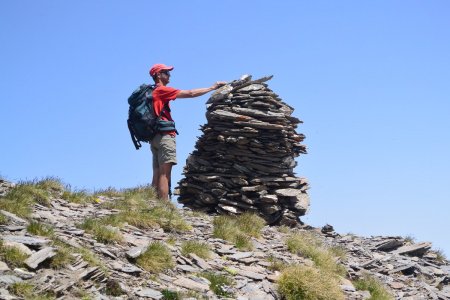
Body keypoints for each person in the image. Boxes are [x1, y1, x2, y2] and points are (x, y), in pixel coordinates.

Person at [149, 63, 226, 200]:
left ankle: (153, 204)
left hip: (154, 136)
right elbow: (190, 93)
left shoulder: (150, 92)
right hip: (165, 136)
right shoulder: (161, 90)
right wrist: (212, 87)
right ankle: (163, 206)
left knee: (156, 172)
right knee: (165, 174)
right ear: (158, 75)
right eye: (166, 72)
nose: (169, 75)